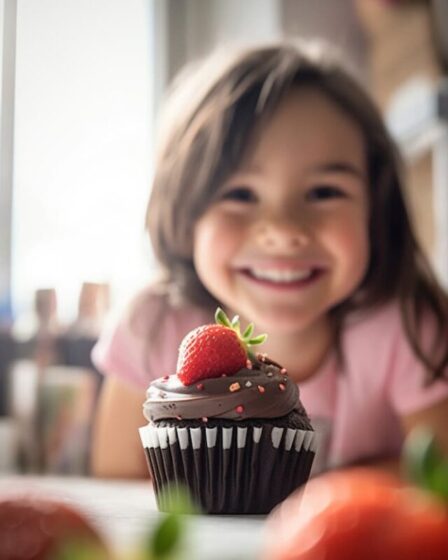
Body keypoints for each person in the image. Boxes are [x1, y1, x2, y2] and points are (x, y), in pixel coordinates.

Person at [90, 41, 448, 479]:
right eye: (240, 195)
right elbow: (118, 490)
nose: (282, 230)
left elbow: (438, 477)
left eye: (324, 192)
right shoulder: (151, 327)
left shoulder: (407, 326)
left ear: (377, 211)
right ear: (185, 216)